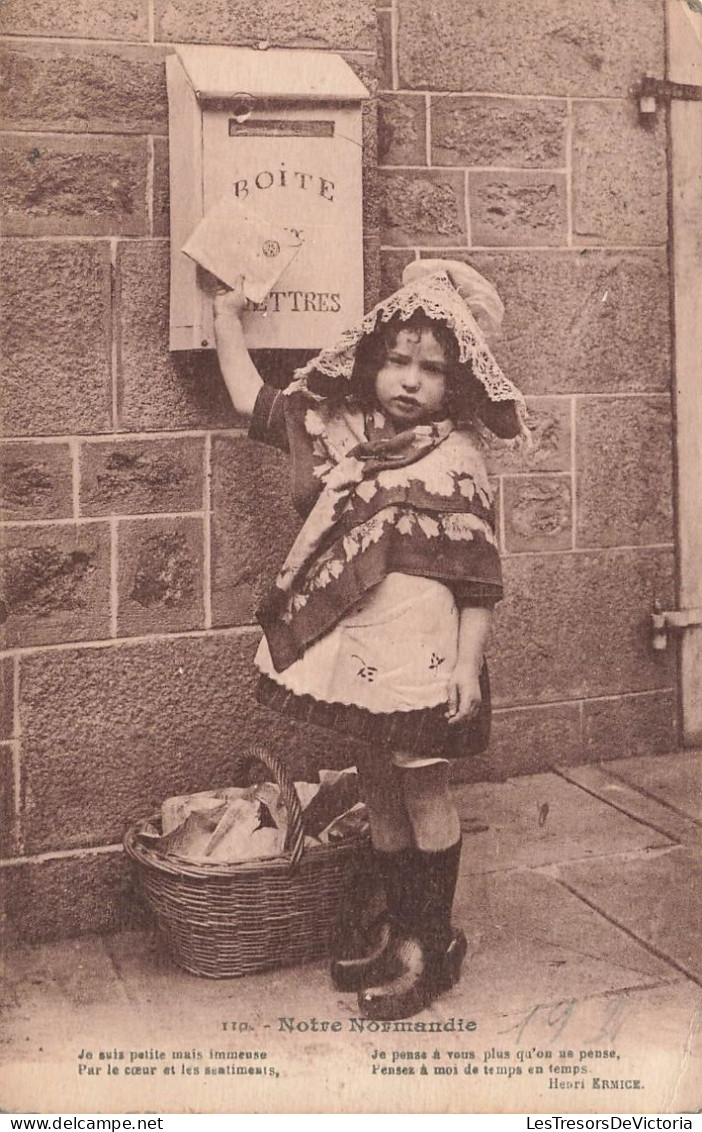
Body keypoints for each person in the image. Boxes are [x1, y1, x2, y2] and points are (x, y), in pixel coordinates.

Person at [213, 259, 527, 1020]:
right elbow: (259, 404)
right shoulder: (345, 437)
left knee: (422, 784)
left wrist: (466, 665)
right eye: (397, 361)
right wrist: (226, 319)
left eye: (431, 369)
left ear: (456, 385)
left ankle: (432, 942)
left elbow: (479, 580)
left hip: (423, 654)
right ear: (372, 361)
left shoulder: (459, 464)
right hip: (359, 653)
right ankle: (400, 932)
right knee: (377, 781)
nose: (410, 381)